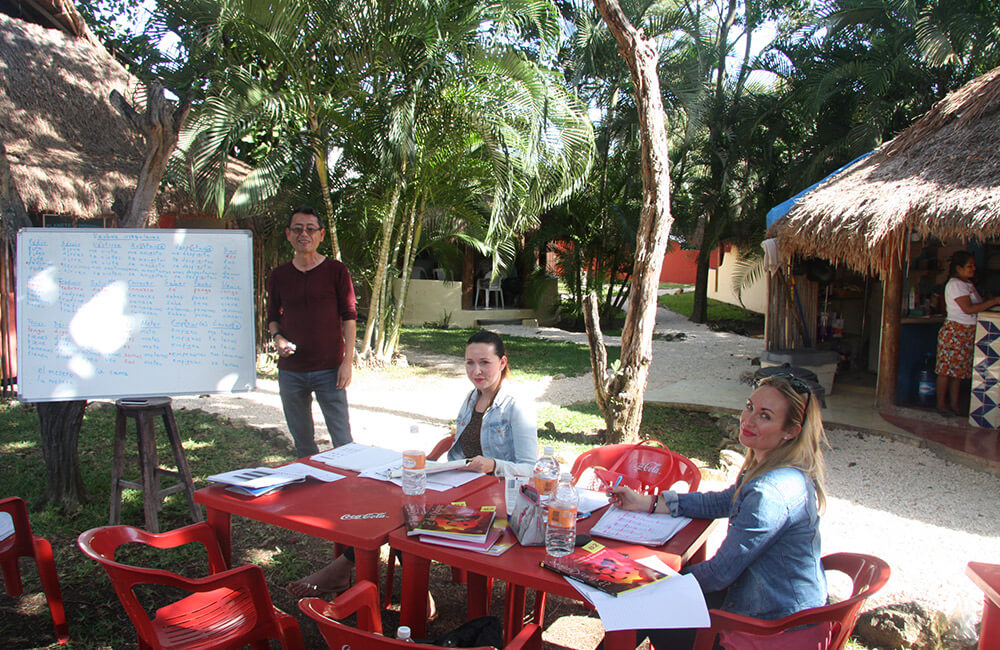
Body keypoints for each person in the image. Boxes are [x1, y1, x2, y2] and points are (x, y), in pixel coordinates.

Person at [287, 330, 536, 598]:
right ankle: (408, 591)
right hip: (460, 486)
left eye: (485, 362)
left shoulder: (516, 406)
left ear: (502, 362)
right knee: (397, 507)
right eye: (469, 362)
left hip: (496, 498)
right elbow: (459, 448)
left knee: (410, 517)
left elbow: (531, 469)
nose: (476, 370)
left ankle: (379, 584)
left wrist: (492, 465)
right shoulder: (471, 398)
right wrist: (432, 466)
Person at [609, 375, 828, 649]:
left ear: (791, 430)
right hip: (773, 607)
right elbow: (726, 500)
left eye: (765, 416)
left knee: (643, 606)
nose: (748, 420)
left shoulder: (769, 491)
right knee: (645, 602)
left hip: (772, 629)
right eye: (749, 406)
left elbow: (721, 573)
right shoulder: (776, 466)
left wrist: (653, 579)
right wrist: (648, 503)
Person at [267, 205, 358, 458]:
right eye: (297, 229)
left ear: (321, 234)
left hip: (330, 370)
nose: (303, 234)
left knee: (343, 442)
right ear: (288, 234)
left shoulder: (336, 271)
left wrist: (347, 362)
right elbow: (273, 317)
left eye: (310, 229)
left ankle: (347, 490)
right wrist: (278, 338)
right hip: (291, 372)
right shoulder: (279, 275)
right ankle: (311, 489)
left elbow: (349, 317)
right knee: (303, 443)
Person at [935, 251, 1000, 417]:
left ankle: (955, 405)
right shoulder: (956, 284)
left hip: (967, 332)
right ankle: (941, 405)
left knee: (958, 372)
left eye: (973, 265)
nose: (973, 268)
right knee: (946, 371)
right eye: (969, 266)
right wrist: (994, 301)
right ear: (959, 268)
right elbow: (968, 309)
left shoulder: (967, 284)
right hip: (956, 332)